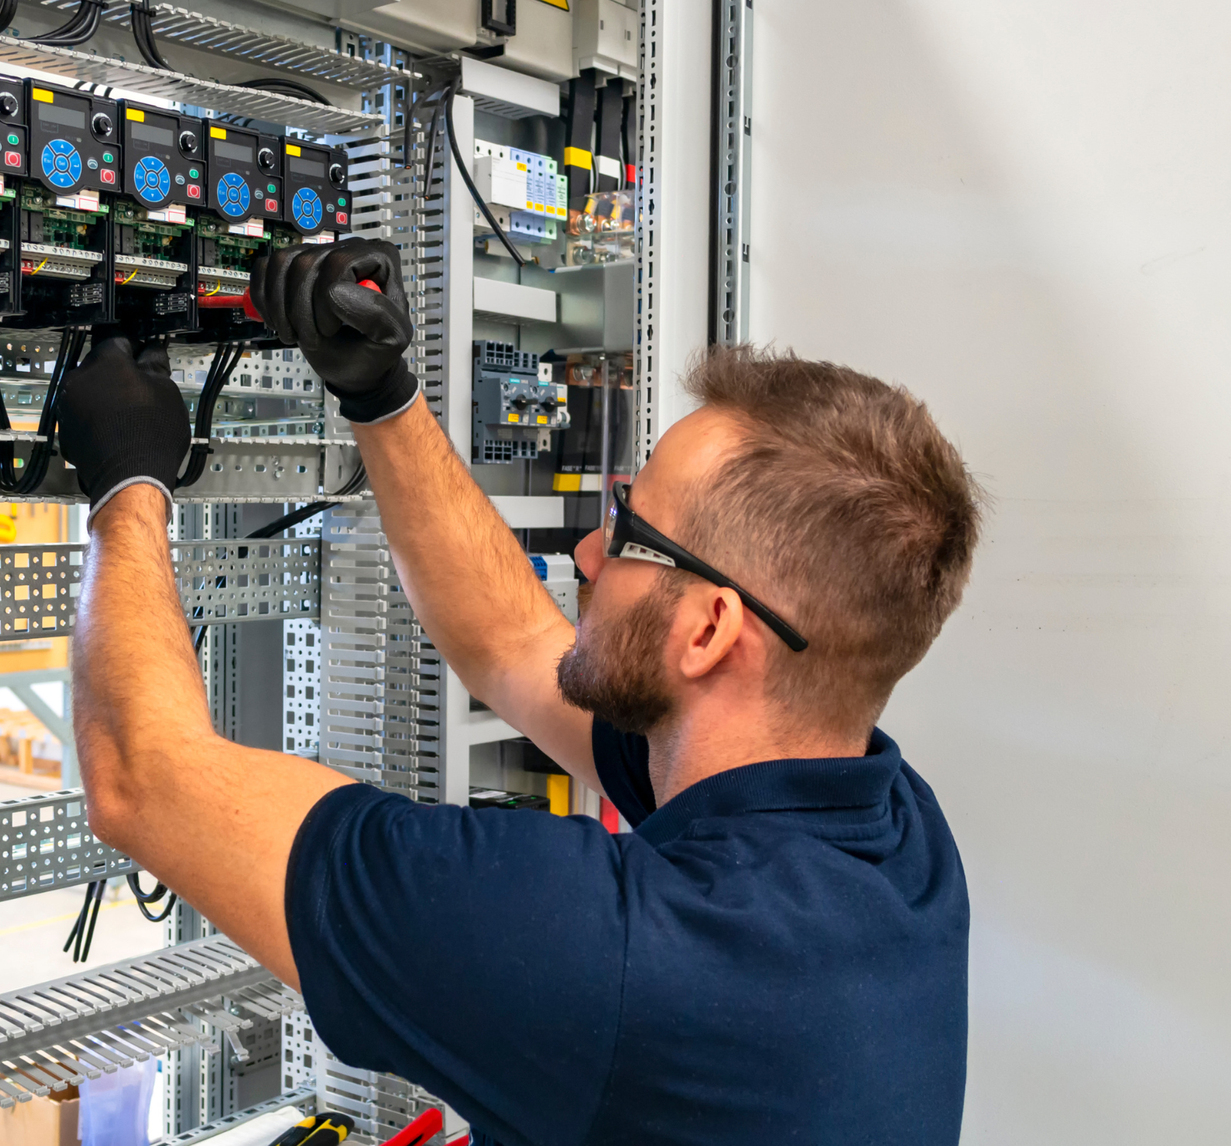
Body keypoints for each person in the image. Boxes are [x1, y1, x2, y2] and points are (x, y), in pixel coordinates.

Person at [56, 238, 983, 1145]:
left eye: (629, 533)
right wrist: (380, 394)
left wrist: (126, 487)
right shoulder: (894, 838)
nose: (586, 553)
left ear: (708, 632)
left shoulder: (622, 958)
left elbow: (142, 779)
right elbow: (513, 644)